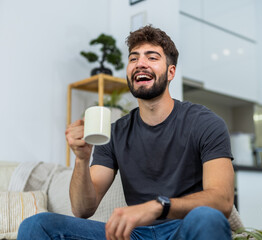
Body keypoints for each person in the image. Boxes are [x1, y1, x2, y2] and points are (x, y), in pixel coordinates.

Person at [18, 25, 235, 240]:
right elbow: (83, 209)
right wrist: (82, 159)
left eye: (152, 57)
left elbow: (222, 200)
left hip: (183, 229)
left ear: (171, 72)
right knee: (38, 225)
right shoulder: (115, 133)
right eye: (134, 58)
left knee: (208, 218)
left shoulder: (205, 123)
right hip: (134, 235)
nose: (140, 64)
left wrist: (158, 207)